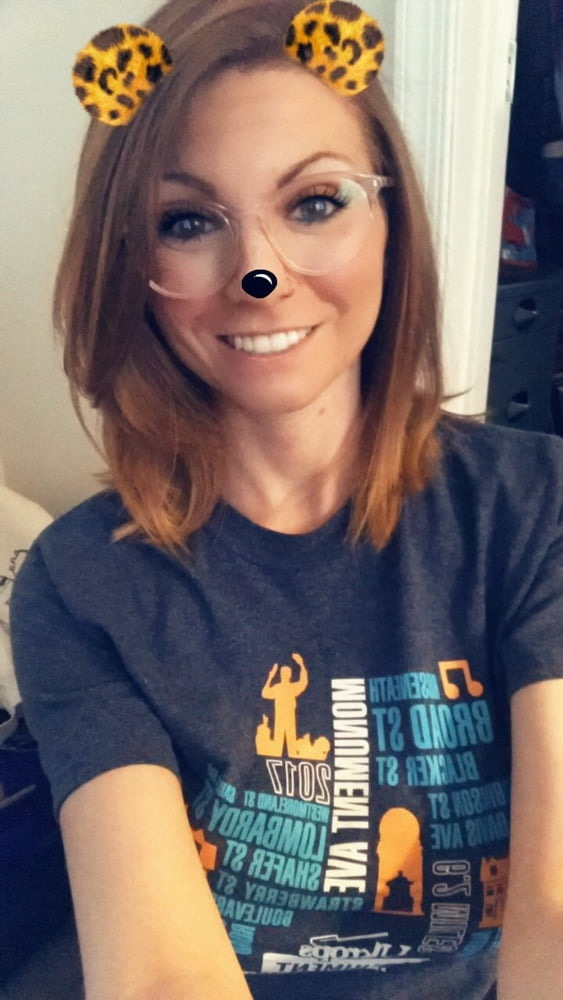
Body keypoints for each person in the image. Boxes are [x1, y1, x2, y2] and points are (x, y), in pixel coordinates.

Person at [9, 1, 563, 998]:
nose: (259, 273)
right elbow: (159, 976)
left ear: (388, 221)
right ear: (128, 264)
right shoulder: (80, 582)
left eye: (313, 202)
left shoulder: (535, 507)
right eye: (187, 222)